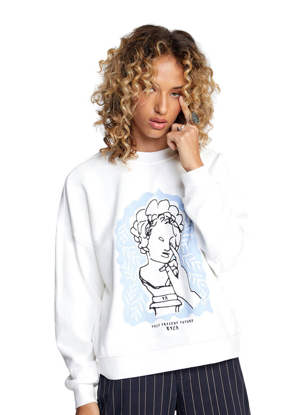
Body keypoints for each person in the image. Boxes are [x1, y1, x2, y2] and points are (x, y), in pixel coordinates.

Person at [54, 24, 251, 415]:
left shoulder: (209, 167)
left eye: (175, 92)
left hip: (212, 358)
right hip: (130, 369)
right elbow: (77, 293)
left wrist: (193, 167)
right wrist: (83, 393)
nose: (162, 107)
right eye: (148, 88)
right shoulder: (88, 181)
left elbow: (228, 255)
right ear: (124, 89)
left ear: (189, 97)